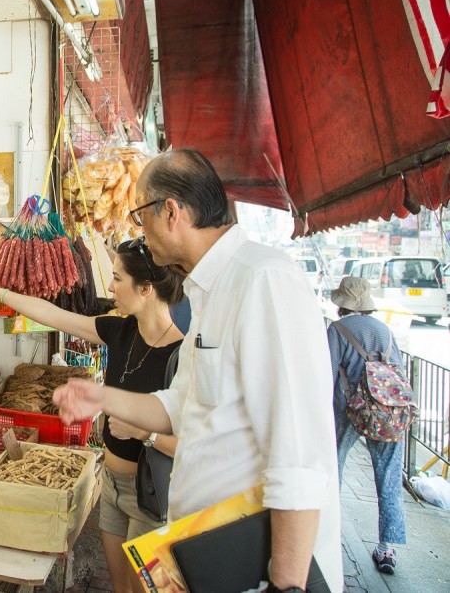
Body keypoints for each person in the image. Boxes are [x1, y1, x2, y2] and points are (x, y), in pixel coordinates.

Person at [52, 149, 342, 593]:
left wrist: (287, 585)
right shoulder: (210, 291)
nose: (138, 231)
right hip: (207, 555)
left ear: (171, 212)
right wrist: (102, 398)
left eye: (139, 215)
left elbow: (298, 456)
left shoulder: (263, 280)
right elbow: (181, 406)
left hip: (259, 570)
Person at [0, 237, 184, 592]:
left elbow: (199, 443)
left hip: (150, 493)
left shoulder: (181, 356)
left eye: (118, 278)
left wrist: (146, 434)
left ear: (146, 288)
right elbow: (53, 315)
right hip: (111, 485)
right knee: (120, 585)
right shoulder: (121, 330)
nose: (110, 286)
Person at [326, 276, 406, 574]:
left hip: (347, 409)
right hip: (385, 412)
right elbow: (396, 371)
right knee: (388, 475)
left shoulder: (337, 330)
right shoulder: (385, 331)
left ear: (341, 305)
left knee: (332, 466)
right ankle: (387, 548)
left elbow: (328, 372)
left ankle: (327, 530)